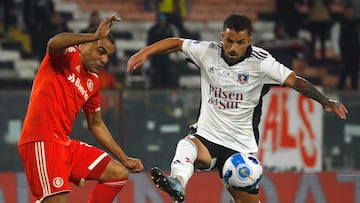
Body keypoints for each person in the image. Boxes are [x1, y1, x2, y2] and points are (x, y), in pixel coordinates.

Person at [126, 14, 348, 203]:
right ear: (222, 36)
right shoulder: (208, 52)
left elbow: (296, 81)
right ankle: (178, 182)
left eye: (240, 42)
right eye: (229, 40)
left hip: (240, 148)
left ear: (249, 40)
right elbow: (176, 42)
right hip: (207, 137)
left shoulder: (262, 63)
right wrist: (144, 52)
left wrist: (325, 101)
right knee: (187, 145)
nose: (233, 48)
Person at [18, 14, 144, 203]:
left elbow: (96, 124)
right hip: (41, 140)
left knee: (117, 174)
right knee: (59, 199)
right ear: (83, 46)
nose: (104, 60)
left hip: (65, 144)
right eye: (100, 51)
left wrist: (124, 158)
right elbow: (54, 43)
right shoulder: (66, 57)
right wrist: (94, 35)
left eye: (108, 56)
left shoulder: (93, 82)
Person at [147, 13, 176, 88]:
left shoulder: (169, 29)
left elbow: (173, 42)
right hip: (156, 57)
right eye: (161, 20)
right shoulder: (153, 30)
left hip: (166, 58)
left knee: (167, 76)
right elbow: (149, 43)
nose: (162, 21)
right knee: (156, 77)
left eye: (164, 20)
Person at [337, 5, 360, 90]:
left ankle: (354, 88)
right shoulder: (340, 23)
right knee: (344, 71)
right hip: (344, 52)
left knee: (354, 71)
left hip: (355, 51)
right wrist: (337, 52)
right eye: (348, 12)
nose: (349, 14)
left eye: (351, 12)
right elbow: (335, 38)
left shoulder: (357, 23)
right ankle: (341, 88)